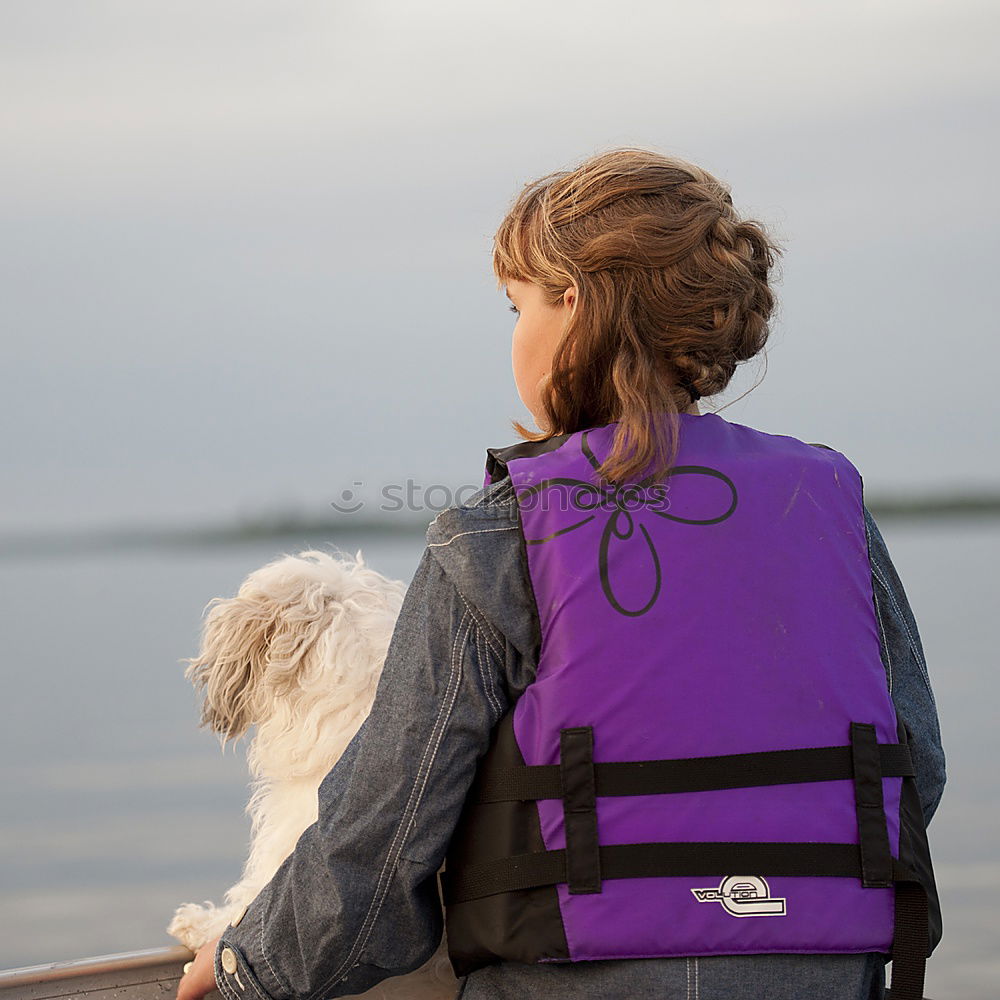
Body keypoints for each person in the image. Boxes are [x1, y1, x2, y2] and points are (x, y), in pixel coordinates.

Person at [178, 147, 945, 1000]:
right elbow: (917, 765)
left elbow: (386, 826)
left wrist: (252, 963)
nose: (514, 333)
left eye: (517, 305)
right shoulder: (832, 507)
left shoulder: (495, 531)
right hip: (821, 974)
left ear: (573, 305)